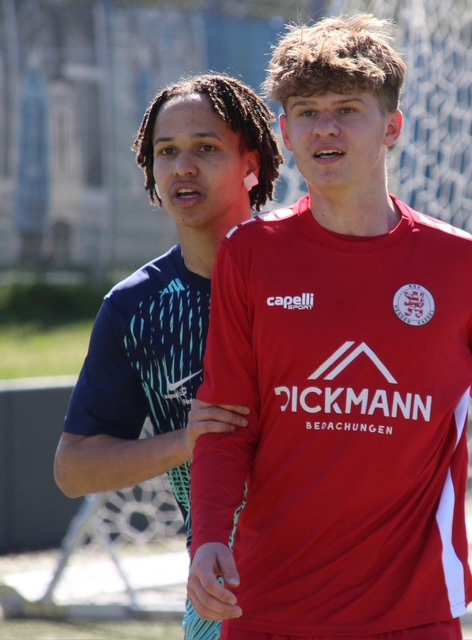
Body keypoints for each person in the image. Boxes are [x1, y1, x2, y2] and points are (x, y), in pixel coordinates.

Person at [186, 15, 472, 640]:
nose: (325, 127)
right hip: (268, 607)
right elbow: (227, 419)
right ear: (285, 133)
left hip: (415, 614)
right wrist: (208, 538)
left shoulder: (460, 264)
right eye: (307, 112)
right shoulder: (250, 255)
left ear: (392, 128)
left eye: (347, 109)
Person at [53, 73, 283, 640]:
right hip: (218, 601)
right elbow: (74, 469)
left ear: (251, 163)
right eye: (166, 151)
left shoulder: (305, 277)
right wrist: (187, 441)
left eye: (206, 148)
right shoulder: (135, 308)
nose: (183, 167)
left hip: (335, 586)